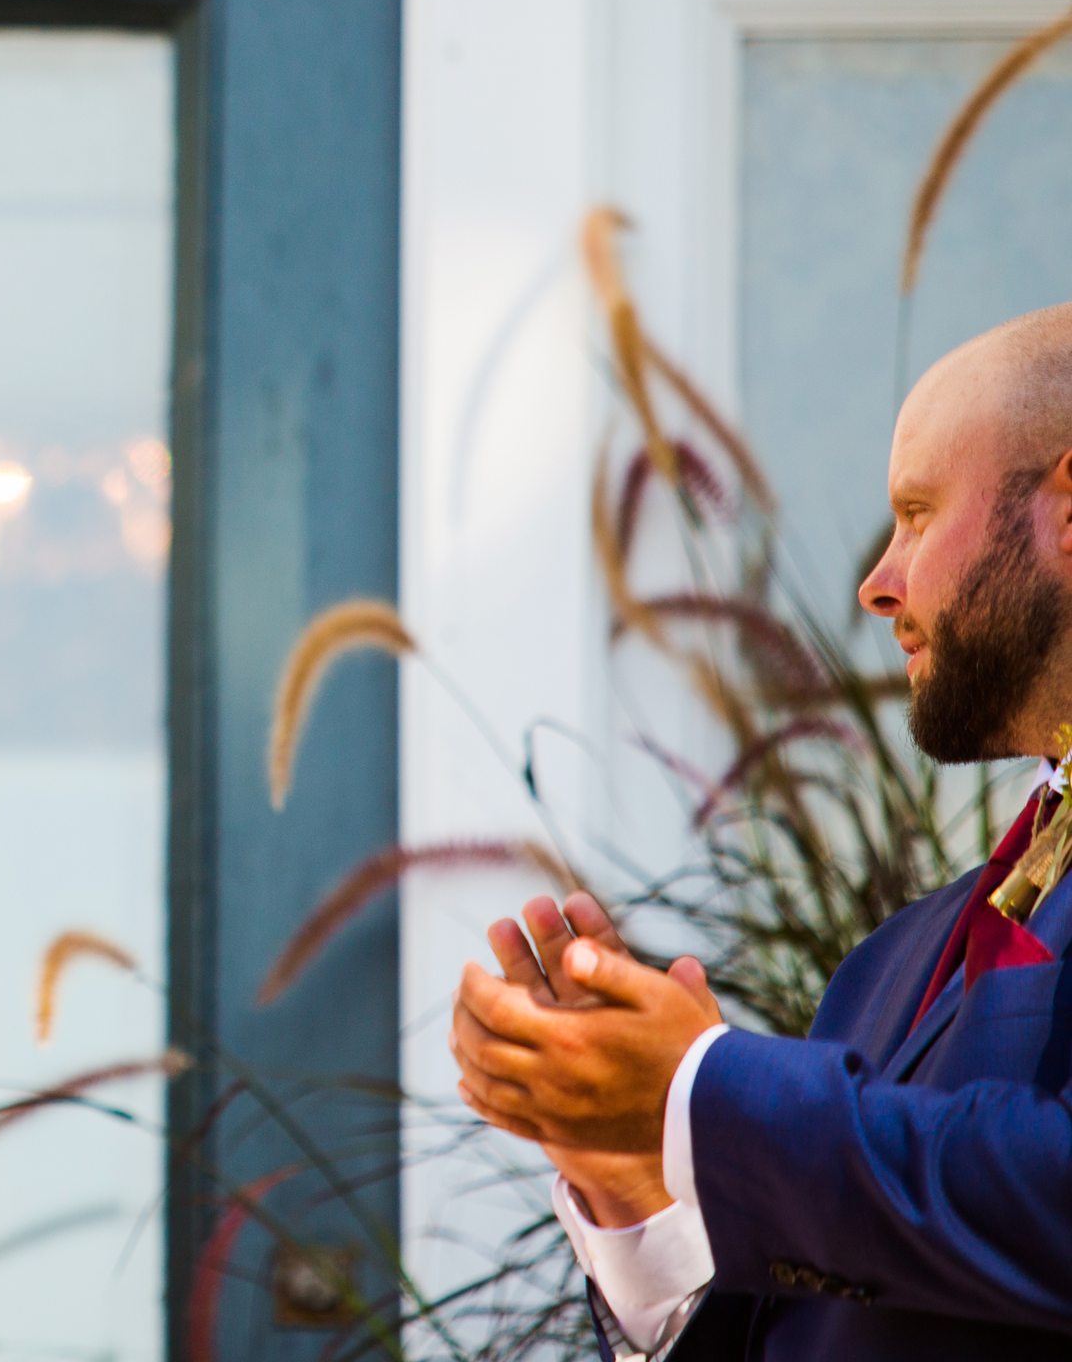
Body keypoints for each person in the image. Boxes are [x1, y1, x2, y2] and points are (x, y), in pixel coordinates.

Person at [452, 304, 1072, 1360]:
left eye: (918, 511)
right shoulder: (884, 968)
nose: (880, 581)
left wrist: (707, 1088)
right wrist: (644, 1173)